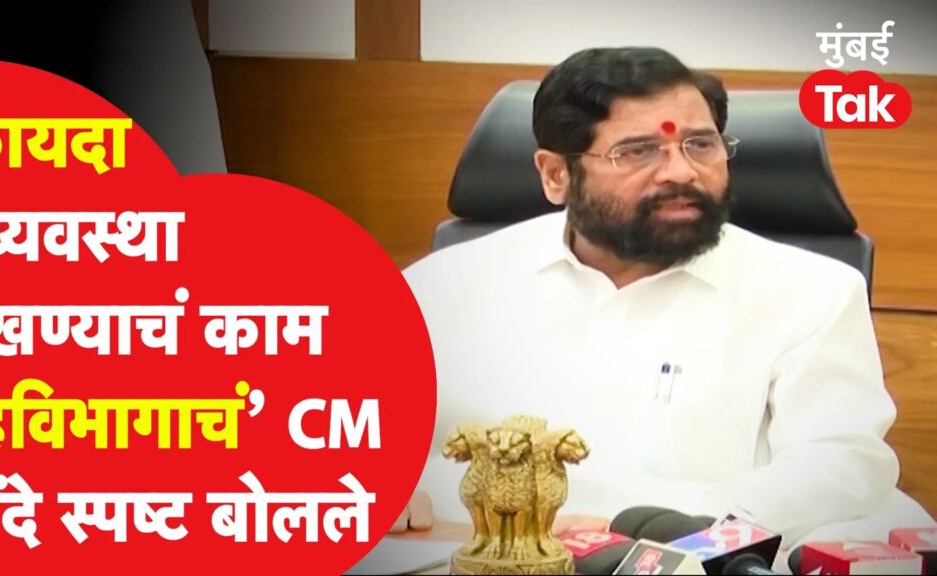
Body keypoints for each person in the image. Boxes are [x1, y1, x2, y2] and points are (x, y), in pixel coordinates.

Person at [396, 47, 934, 548]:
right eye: (637, 151)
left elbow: (839, 465)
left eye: (700, 145)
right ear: (557, 174)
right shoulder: (440, 287)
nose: (681, 171)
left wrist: (653, 534)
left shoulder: (811, 292)